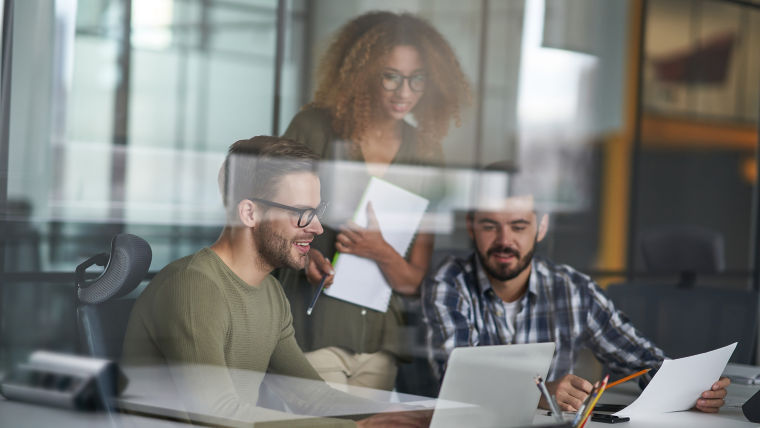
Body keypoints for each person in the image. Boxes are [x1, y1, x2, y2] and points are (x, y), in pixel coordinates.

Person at [122, 136, 429, 427]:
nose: (318, 228)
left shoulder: (270, 292)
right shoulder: (192, 287)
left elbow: (310, 397)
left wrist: (405, 417)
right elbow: (217, 415)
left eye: (316, 211)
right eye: (302, 213)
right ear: (250, 213)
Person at [277, 11, 470, 391]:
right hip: (311, 330)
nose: (404, 92)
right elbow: (267, 222)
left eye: (417, 79)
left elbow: (414, 281)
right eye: (390, 76)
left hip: (381, 345)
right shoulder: (315, 128)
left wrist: (379, 250)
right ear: (363, 73)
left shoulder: (427, 155)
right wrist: (306, 257)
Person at [421, 179, 730, 413]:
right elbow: (458, 380)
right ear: (471, 227)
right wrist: (541, 395)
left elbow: (642, 359)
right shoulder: (449, 282)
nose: (505, 240)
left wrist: (695, 389)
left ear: (541, 227)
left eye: (518, 226)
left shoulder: (571, 289)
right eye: (490, 226)